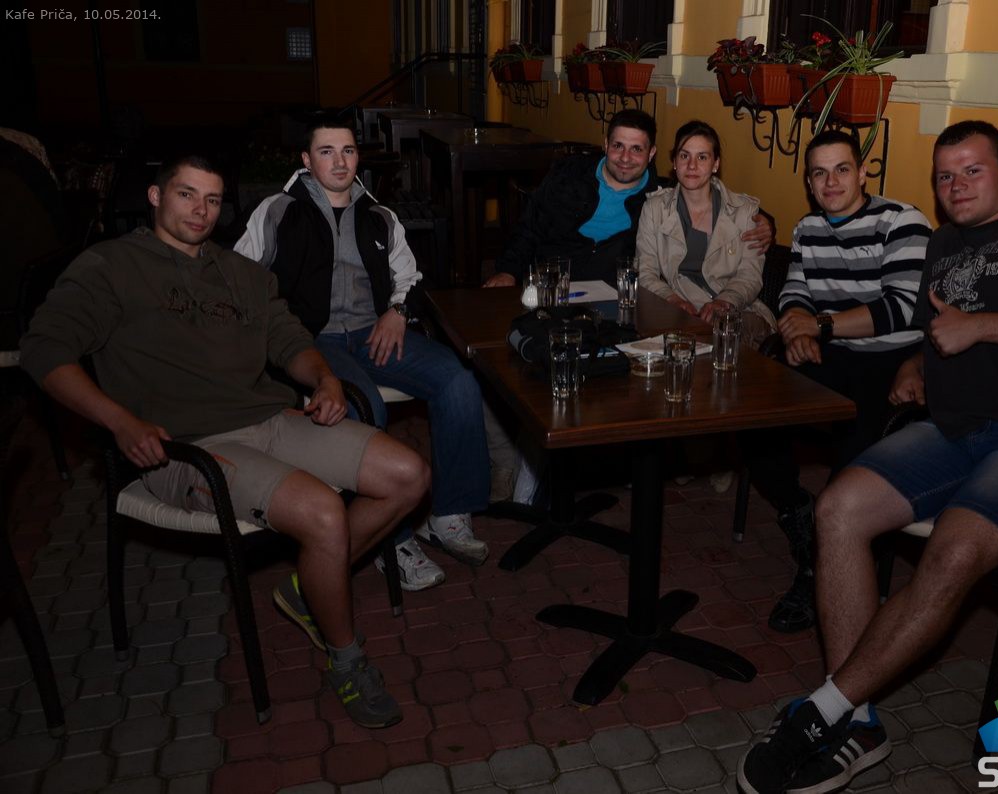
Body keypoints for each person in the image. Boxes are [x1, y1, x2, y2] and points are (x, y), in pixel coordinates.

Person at [737, 120, 998, 793]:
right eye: (946, 175)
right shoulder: (943, 244)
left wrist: (981, 328)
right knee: (838, 507)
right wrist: (917, 363)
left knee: (952, 548)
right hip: (953, 428)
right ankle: (860, 720)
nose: (957, 185)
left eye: (973, 170)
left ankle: (824, 710)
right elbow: (934, 326)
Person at [21, 154, 430, 729]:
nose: (201, 210)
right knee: (323, 514)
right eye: (187, 195)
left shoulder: (240, 272)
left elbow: (290, 340)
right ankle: (346, 659)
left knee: (408, 475)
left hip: (269, 418)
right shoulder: (110, 266)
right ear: (156, 196)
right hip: (184, 446)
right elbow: (43, 352)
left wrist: (324, 379)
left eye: (212, 200)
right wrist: (119, 421)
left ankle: (307, 586)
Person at [236, 116, 491, 589]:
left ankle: (450, 513)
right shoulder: (277, 211)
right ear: (306, 160)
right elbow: (241, 278)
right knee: (363, 402)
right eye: (327, 151)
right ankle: (390, 539)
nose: (340, 161)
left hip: (373, 332)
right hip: (312, 340)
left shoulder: (379, 216)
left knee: (459, 379)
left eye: (348, 151)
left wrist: (397, 311)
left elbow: (410, 277)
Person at [742, 130, 931, 634]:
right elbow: (794, 292)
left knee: (850, 465)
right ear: (808, 182)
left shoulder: (902, 221)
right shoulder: (807, 228)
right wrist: (797, 329)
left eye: (842, 169)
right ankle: (798, 515)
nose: (831, 182)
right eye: (819, 173)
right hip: (831, 353)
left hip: (890, 362)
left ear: (863, 172)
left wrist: (819, 326)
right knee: (750, 412)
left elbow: (901, 308)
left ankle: (819, 567)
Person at [484, 109, 774, 288]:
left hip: (610, 298)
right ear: (605, 145)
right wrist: (508, 271)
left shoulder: (657, 198)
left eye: (636, 149)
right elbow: (529, 227)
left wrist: (766, 221)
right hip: (550, 286)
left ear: (651, 154)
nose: (625, 158)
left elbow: (717, 200)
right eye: (618, 146)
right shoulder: (567, 175)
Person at [635, 120, 776, 340]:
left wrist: (725, 301)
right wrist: (671, 300)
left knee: (721, 333)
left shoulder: (744, 212)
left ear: (715, 164)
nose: (692, 166)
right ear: (674, 162)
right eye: (684, 156)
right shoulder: (655, 209)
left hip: (737, 312)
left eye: (702, 157)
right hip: (679, 313)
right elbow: (645, 272)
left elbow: (750, 275)